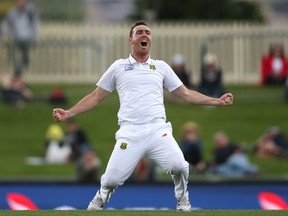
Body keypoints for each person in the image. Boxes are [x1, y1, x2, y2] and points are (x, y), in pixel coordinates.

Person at [52, 20, 233, 212]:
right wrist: (69, 112)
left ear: (151, 40)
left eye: (147, 32)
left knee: (179, 166)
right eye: (139, 32)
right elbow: (95, 97)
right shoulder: (119, 67)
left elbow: (186, 94)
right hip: (130, 132)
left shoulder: (161, 67)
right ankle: (101, 197)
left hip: (157, 130)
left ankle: (182, 199)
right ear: (131, 40)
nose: (144, 35)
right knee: (112, 179)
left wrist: (217, 101)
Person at [6, 0, 39, 76]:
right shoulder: (12, 13)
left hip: (27, 38)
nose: (21, 4)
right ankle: (16, 71)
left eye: (23, 2)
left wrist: (34, 38)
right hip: (16, 37)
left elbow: (35, 25)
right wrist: (11, 33)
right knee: (13, 53)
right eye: (19, 2)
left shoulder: (30, 12)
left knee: (26, 56)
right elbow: (9, 24)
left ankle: (23, 71)